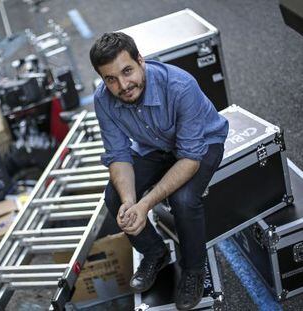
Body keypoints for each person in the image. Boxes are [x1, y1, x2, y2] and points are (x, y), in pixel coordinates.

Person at [89, 32, 228, 310]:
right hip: (154, 146)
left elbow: (189, 158)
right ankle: (155, 253)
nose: (123, 85)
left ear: (141, 61)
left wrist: (146, 204)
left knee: (184, 200)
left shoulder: (180, 86)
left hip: (202, 143)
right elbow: (118, 156)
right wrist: (131, 203)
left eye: (127, 71)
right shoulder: (103, 99)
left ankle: (193, 270)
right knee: (115, 197)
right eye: (111, 79)